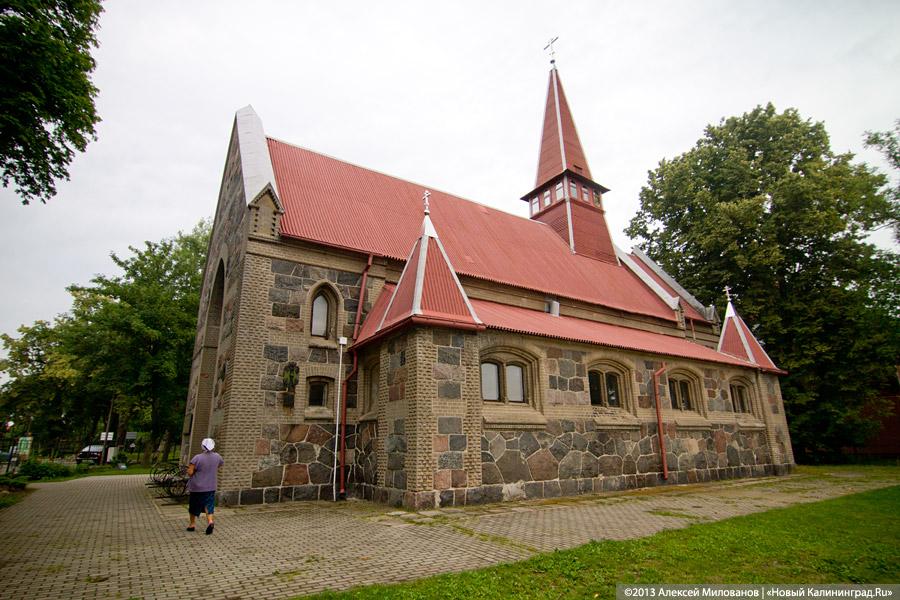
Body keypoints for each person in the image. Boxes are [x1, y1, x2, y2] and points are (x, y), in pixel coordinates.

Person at [186, 438, 224, 535]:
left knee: (193, 505)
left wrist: (195, 471)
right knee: (209, 505)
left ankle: (192, 524)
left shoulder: (197, 458)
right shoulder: (217, 457)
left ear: (202, 446)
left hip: (196, 487)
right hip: (210, 486)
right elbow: (219, 465)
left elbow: (190, 472)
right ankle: (210, 522)